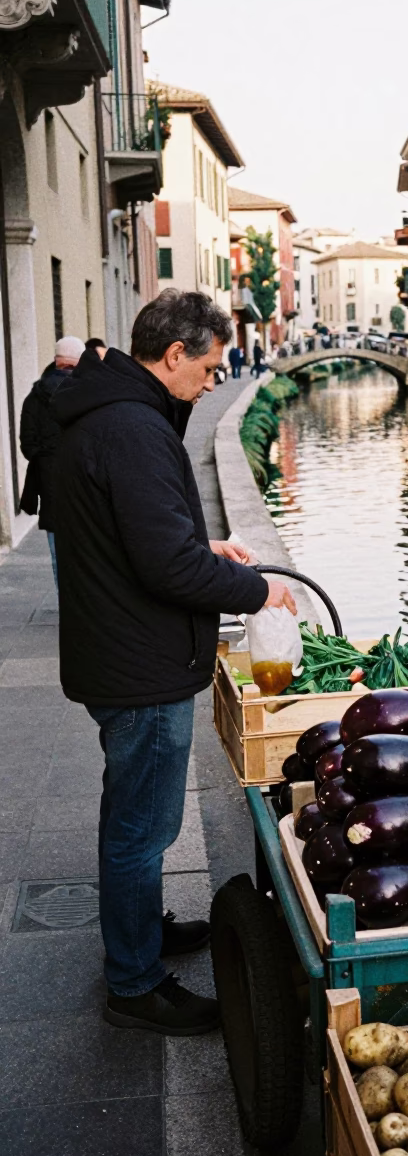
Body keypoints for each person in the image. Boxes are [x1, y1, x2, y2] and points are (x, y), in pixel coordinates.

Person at [52, 289, 297, 1036]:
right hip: (140, 664)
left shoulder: (113, 413)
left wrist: (203, 545)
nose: (214, 382)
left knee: (132, 815)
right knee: (142, 827)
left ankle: (142, 931)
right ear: (174, 354)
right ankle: (135, 984)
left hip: (119, 648)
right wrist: (258, 591)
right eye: (210, 368)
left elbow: (141, 535)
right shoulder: (133, 428)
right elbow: (165, 566)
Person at [19, 335, 85, 588]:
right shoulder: (87, 391)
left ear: (57, 360)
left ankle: (65, 605)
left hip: (50, 487)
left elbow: (27, 444)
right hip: (84, 485)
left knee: (59, 557)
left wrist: (46, 460)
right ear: (78, 361)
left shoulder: (35, 396)